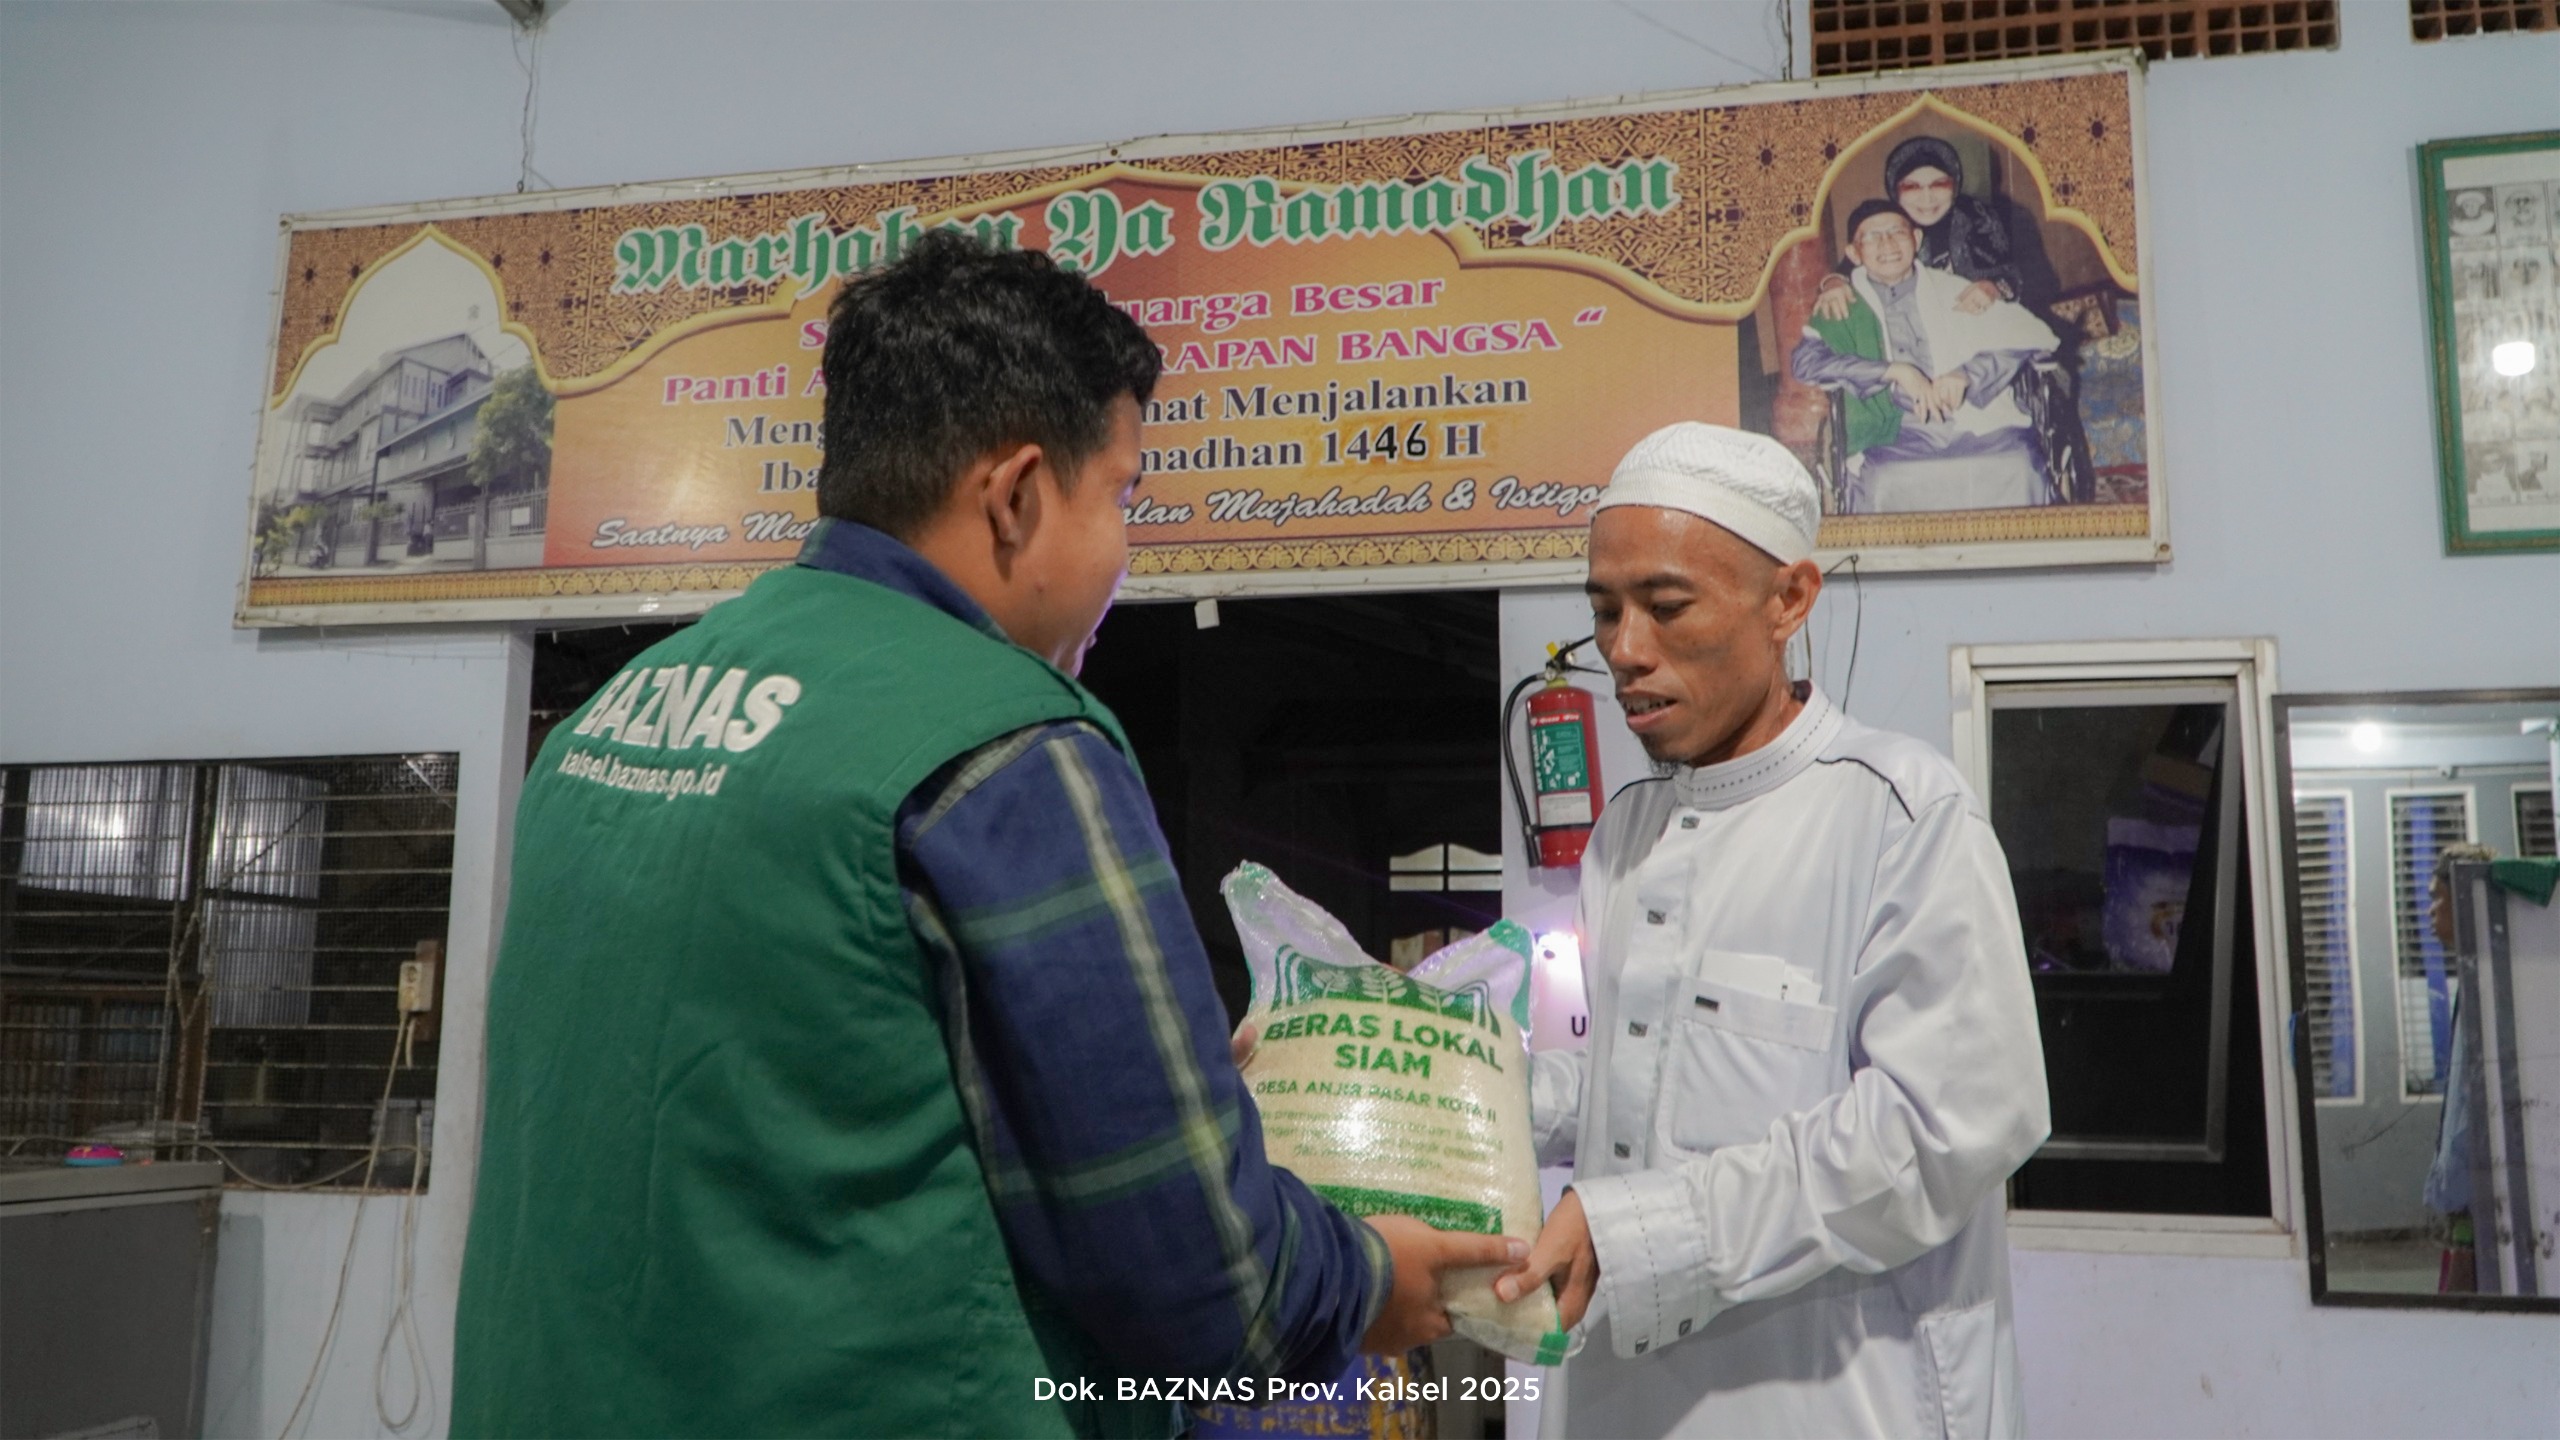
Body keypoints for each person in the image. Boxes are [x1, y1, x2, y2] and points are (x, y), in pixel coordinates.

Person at [452, 233, 1517, 1438]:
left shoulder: (604, 723)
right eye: (1120, 497)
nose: (1124, 551)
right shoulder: (1008, 746)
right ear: (1015, 496)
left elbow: (780, 1113)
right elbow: (1208, 1291)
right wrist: (1370, 1280)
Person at [1490, 422, 2052, 1438]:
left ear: (1789, 600)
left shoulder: (1898, 812)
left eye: (1667, 607)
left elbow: (1948, 1128)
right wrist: (1438, 1083)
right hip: (1623, 1402)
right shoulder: (1626, 834)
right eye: (1605, 611)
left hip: (1838, 1404)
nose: (1625, 651)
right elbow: (1633, 1087)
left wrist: (1643, 1231)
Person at [1792, 199, 2065, 513]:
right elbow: (1806, 362)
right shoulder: (1842, 303)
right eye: (1872, 236)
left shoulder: (1954, 289)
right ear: (1854, 253)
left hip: (1973, 421)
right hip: (1895, 434)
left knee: (2018, 466)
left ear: (1916, 239)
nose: (1887, 243)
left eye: (1897, 232)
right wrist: (1893, 371)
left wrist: (1968, 374)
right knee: (1883, 481)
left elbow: (2029, 336)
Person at [1813, 134, 2063, 330]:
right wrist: (1833, 283)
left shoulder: (1981, 218)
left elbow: (2030, 278)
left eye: (1939, 184)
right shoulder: (1886, 223)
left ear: (1954, 185)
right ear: (1895, 190)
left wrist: (1993, 289)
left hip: (1987, 330)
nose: (1927, 197)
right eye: (1912, 187)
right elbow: (1850, 266)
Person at [2421, 841, 2498, 1294]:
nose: (2430, 911)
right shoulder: (2473, 979)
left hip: (2476, 1204)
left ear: (2466, 899)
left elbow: (2472, 1109)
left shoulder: (2488, 987)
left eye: (2438, 898)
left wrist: (2458, 1197)